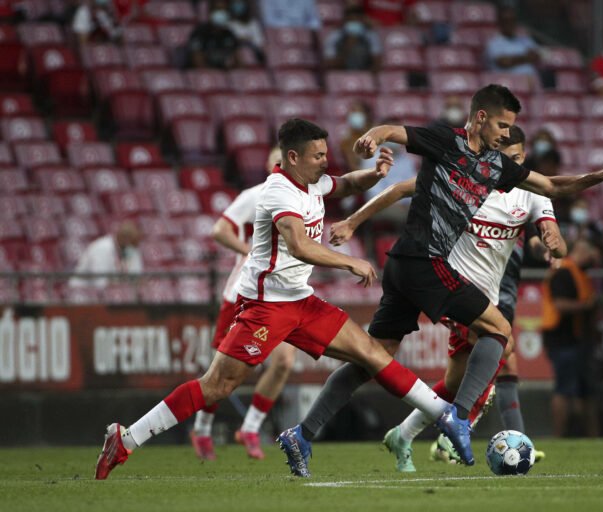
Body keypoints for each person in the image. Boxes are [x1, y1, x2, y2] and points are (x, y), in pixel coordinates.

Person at [278, 84, 603, 473]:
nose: (505, 134)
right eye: (502, 125)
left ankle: (302, 434)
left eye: (510, 128)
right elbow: (395, 133)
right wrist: (374, 135)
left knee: (372, 358)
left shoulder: (499, 167)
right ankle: (458, 418)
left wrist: (602, 175)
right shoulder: (445, 140)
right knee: (499, 329)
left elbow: (551, 185)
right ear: (480, 117)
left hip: (403, 263)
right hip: (425, 261)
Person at [94, 119, 457, 480]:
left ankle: (446, 416)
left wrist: (375, 175)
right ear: (293, 157)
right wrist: (350, 261)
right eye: (318, 156)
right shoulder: (277, 191)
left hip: (301, 301)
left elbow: (344, 184)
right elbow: (299, 245)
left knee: (372, 352)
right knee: (217, 385)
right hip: (266, 306)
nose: (324, 162)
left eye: (325, 154)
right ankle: (126, 438)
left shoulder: (312, 180)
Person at [329, 126, 572, 470]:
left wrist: (552, 240)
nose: (512, 165)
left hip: (483, 297)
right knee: (503, 346)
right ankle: (456, 428)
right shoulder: (469, 178)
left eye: (518, 159)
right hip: (448, 287)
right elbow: (400, 189)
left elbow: (560, 244)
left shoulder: (531, 195)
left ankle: (404, 433)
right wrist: (353, 222)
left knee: (458, 378)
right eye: (506, 158)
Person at [190, 149, 291, 461]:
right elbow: (220, 230)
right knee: (223, 373)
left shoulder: (301, 199)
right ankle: (203, 428)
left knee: (285, 361)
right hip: (242, 294)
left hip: (278, 296)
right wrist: (248, 251)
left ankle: (250, 427)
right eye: (278, 160)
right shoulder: (257, 194)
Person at [540, 237, 601, 437]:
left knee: (585, 390)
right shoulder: (564, 271)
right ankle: (560, 436)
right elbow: (560, 305)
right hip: (562, 339)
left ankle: (589, 436)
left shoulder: (579, 273)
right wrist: (587, 306)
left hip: (577, 339)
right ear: (579, 251)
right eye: (588, 251)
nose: (591, 257)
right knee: (564, 389)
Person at [69, 220, 142, 289]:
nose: (133, 248)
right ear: (124, 238)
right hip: (82, 293)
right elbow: (100, 282)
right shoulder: (102, 248)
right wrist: (123, 284)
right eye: (132, 243)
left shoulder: (131, 250)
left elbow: (136, 277)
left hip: (109, 295)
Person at [484, 7, 541, 87]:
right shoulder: (494, 43)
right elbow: (504, 62)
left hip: (532, 83)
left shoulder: (525, 40)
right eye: (506, 21)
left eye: (512, 20)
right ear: (499, 23)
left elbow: (537, 56)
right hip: (509, 86)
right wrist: (527, 57)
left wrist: (513, 59)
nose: (510, 24)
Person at [323, 4, 382, 71]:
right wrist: (348, 46)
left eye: (357, 21)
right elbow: (330, 64)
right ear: (345, 21)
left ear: (362, 21)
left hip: (364, 75)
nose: (354, 24)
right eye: (351, 20)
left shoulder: (371, 35)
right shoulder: (334, 36)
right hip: (340, 75)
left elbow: (377, 65)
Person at [186, 0, 240, 70]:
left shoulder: (229, 34)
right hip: (205, 77)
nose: (221, 14)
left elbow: (238, 61)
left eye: (224, 11)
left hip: (225, 77)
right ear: (210, 12)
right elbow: (198, 62)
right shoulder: (199, 33)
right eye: (218, 10)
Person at [339, 100, 374, 172]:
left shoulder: (377, 134)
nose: (354, 115)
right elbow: (353, 167)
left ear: (366, 115)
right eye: (352, 111)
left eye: (358, 111)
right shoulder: (347, 141)